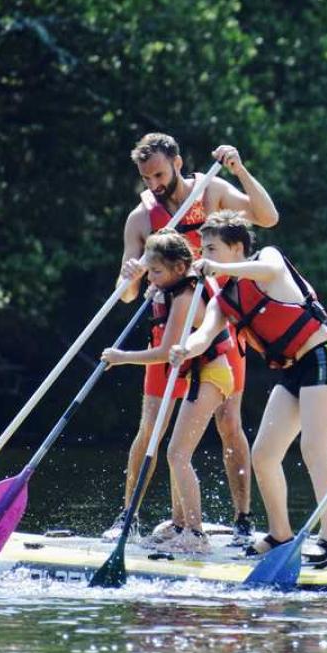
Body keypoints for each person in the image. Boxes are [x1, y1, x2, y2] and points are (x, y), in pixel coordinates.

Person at [106, 132, 278, 542]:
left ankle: (242, 519)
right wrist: (129, 278)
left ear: (178, 163)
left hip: (218, 326)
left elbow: (267, 218)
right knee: (151, 428)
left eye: (160, 174)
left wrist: (239, 169)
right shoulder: (141, 219)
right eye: (146, 178)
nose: (154, 184)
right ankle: (126, 517)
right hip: (169, 331)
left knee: (229, 423)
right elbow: (128, 295)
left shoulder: (211, 190)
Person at [170, 210, 327, 560]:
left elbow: (268, 272)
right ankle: (280, 534)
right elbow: (206, 335)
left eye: (213, 248)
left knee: (314, 449)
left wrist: (221, 269)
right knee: (264, 455)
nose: (206, 256)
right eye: (203, 249)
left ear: (237, 248)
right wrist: (182, 350)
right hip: (292, 372)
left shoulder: (268, 258)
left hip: (322, 358)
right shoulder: (224, 298)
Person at [101, 230, 234, 552]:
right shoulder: (172, 289)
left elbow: (165, 351)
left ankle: (196, 534)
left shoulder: (186, 296)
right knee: (178, 452)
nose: (153, 278)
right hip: (199, 376)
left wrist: (122, 358)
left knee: (177, 454)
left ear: (179, 268)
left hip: (212, 375)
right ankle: (180, 526)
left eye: (157, 272)